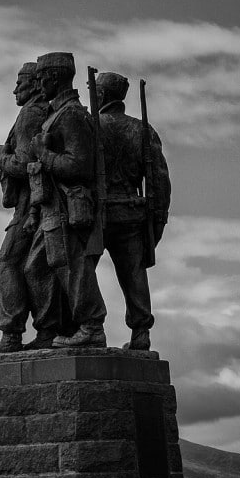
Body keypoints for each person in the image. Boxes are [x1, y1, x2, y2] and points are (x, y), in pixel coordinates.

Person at [24, 51, 108, 348]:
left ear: (55, 78)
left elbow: (78, 166)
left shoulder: (71, 115)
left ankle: (91, 325)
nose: (39, 84)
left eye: (43, 78)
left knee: (72, 267)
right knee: (36, 268)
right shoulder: (56, 113)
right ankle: (49, 330)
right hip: (49, 207)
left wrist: (42, 154)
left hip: (66, 206)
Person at [0, 61, 56, 359]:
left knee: (9, 261)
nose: (15, 89)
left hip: (30, 206)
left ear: (34, 84)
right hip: (38, 204)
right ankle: (46, 331)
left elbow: (24, 165)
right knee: (36, 267)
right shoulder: (42, 112)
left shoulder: (30, 114)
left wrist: (1, 156)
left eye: (19, 82)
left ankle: (11, 335)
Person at [95, 72, 172, 350]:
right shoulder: (142, 130)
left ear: (101, 95)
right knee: (134, 275)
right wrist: (159, 218)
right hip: (131, 211)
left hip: (97, 214)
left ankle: (88, 327)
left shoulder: (91, 127)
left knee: (82, 273)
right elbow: (159, 180)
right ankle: (141, 331)